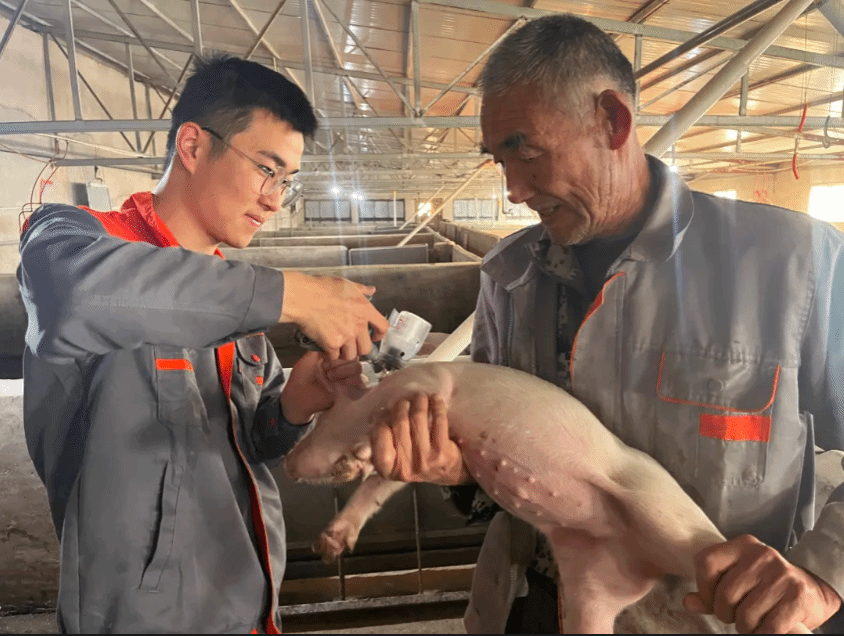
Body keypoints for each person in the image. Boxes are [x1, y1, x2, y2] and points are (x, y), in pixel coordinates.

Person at [368, 14, 844, 634]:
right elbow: (495, 455)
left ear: (613, 122)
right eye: (499, 161)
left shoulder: (793, 264)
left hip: (697, 622)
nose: (513, 190)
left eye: (527, 153)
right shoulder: (508, 277)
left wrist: (821, 575)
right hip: (529, 605)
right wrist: (457, 471)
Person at [17, 54, 390, 634]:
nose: (275, 200)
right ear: (192, 146)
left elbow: (253, 442)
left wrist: (297, 403)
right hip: (140, 618)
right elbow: (71, 299)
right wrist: (294, 293)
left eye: (286, 181)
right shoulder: (77, 239)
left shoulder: (241, 306)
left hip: (247, 601)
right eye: (266, 169)